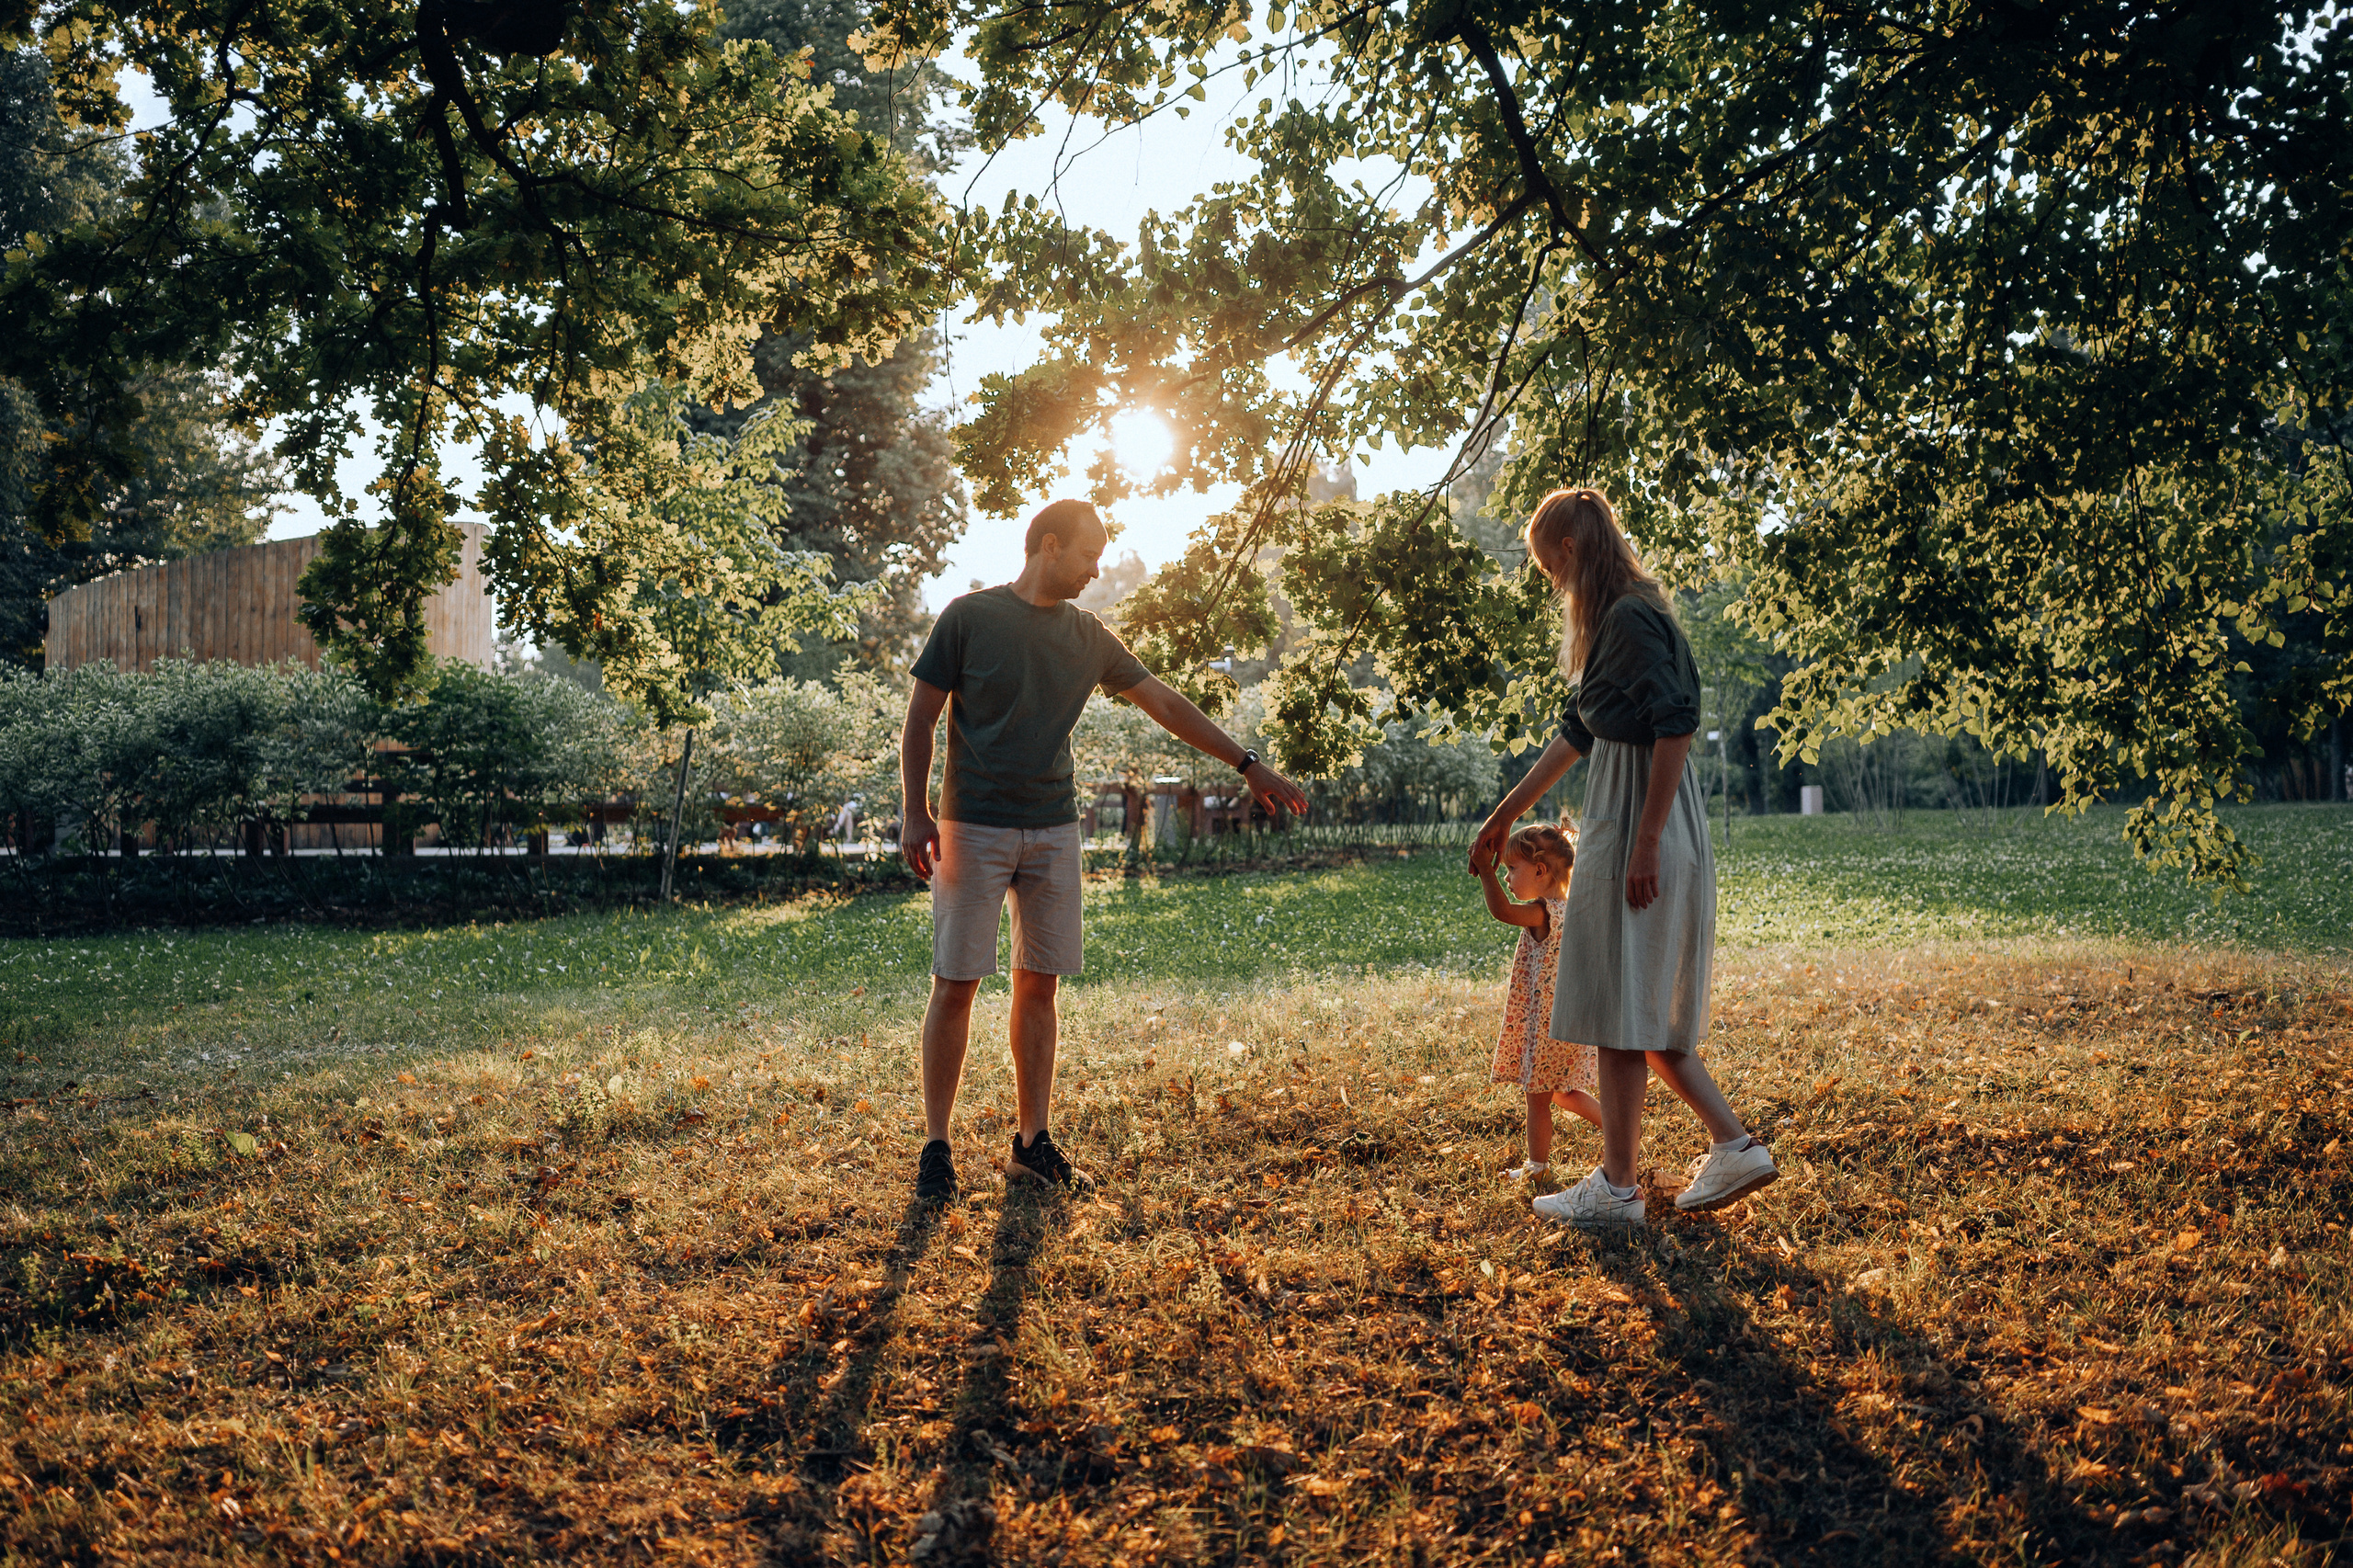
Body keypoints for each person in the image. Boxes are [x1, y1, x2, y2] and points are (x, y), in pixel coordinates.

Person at [900, 499, 1310, 1202]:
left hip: (1053, 827)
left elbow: (1168, 704)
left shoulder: (1088, 636)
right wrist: (915, 810)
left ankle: (1032, 1143)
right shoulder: (967, 617)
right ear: (1049, 545)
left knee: (1041, 984)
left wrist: (1248, 764)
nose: (1096, 570)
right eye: (1089, 555)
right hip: (972, 826)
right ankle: (937, 1146)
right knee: (957, 981)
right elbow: (921, 719)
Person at [1471, 487, 1777, 1228]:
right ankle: (1726, 1148)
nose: (1553, 582)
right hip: (1627, 814)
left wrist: (1644, 840)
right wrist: (1506, 814)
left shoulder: (1631, 618)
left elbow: (1676, 724)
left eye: (1550, 567)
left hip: (1644, 817)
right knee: (1634, 1009)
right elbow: (1577, 733)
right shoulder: (1617, 620)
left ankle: (1618, 1187)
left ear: (1571, 551)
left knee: (1619, 1010)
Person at [1475, 820, 1600, 1181]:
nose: (1508, 877)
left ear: (1540, 871)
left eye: (1512, 869)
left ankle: (1538, 1168)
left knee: (1538, 1097)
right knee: (1565, 1092)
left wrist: (1487, 872)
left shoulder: (1543, 912)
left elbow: (1502, 911)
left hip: (1548, 1026)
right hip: (1569, 1018)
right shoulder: (1574, 908)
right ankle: (1621, 1129)